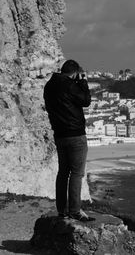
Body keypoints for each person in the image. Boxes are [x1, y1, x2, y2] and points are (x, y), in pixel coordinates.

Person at [43, 59, 95, 222]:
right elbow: (85, 101)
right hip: (75, 135)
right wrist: (83, 82)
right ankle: (74, 211)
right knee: (77, 173)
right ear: (74, 73)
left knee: (63, 172)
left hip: (59, 134)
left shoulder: (49, 86)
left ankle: (61, 210)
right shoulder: (71, 85)